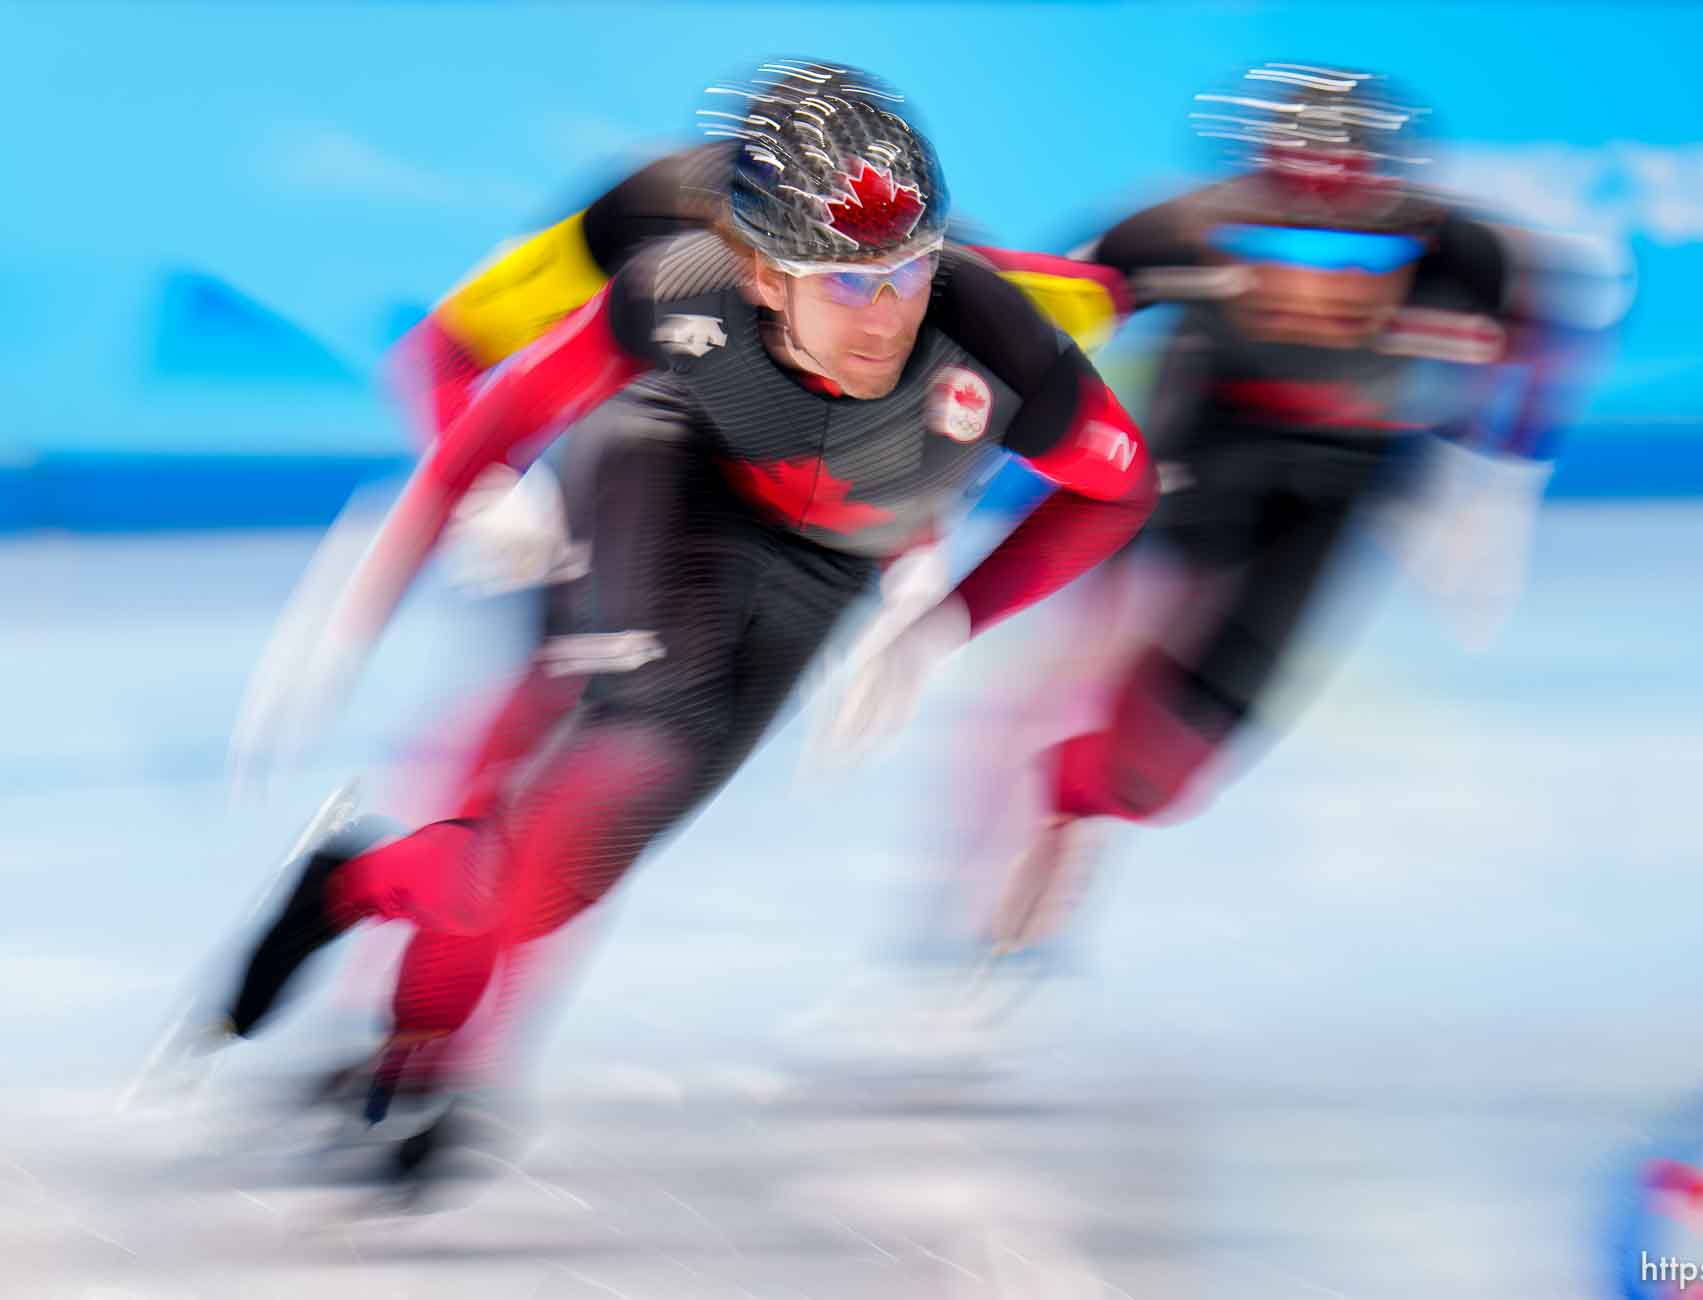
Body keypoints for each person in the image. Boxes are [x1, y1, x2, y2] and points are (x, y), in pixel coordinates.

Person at [202, 57, 1157, 1198]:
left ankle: (372, 930)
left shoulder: (1004, 327)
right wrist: (374, 585)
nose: (887, 314)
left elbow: (1119, 482)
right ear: (757, 269)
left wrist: (943, 618)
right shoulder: (666, 262)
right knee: (582, 780)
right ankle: (424, 1049)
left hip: (827, 561)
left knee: (565, 872)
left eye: (905, 272)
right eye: (842, 283)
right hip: (667, 478)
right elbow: (471, 381)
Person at [949, 62, 1623, 960]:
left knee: (1168, 763)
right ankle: (1017, 817)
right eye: (1281, 246)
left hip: (1350, 471)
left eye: (1356, 257)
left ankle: (1082, 807)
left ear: (1401, 222)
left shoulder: (1471, 258)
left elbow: (1551, 340)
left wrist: (1495, 482)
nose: (1314, 283)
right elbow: (1024, 324)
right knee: (1103, 632)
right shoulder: (1175, 233)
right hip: (1207, 429)